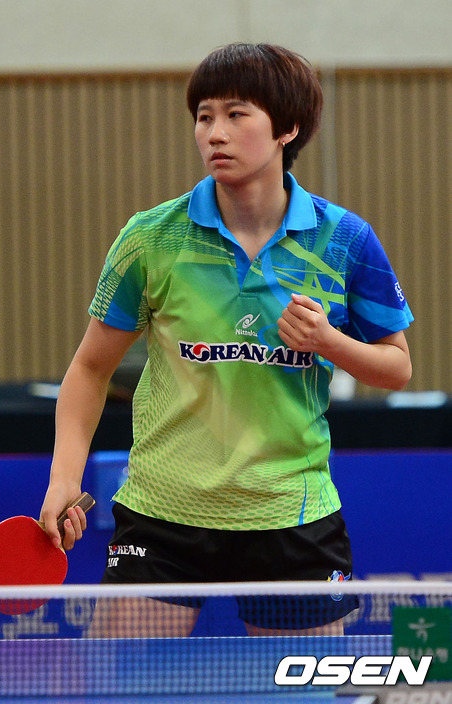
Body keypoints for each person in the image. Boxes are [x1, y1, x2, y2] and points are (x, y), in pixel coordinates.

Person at [40, 43, 413, 636]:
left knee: (301, 684)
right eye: (204, 116)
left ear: (287, 128)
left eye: (237, 115)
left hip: (291, 513)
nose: (215, 133)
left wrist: (329, 342)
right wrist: (64, 478)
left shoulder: (345, 240)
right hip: (162, 512)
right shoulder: (152, 238)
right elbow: (90, 368)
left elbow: (396, 368)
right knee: (119, 680)